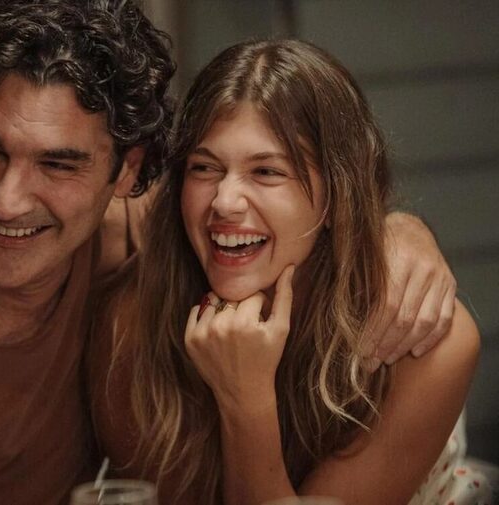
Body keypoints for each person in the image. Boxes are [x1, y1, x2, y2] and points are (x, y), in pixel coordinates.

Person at [0, 1, 454, 503]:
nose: (8, 198)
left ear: (127, 175)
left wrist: (397, 233)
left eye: (58, 164)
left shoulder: (157, 241)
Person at [87, 38, 490, 505]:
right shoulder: (130, 326)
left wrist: (246, 400)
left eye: (266, 172)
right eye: (204, 168)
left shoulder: (425, 342)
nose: (224, 202)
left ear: (338, 194)